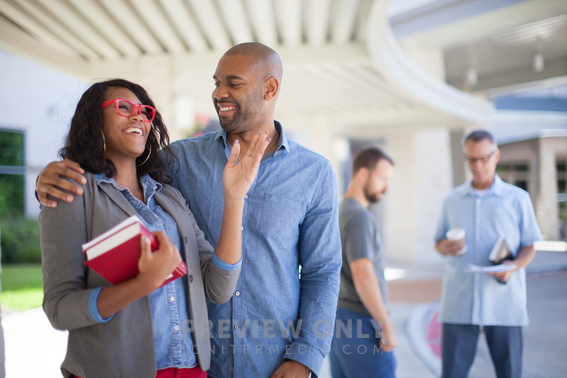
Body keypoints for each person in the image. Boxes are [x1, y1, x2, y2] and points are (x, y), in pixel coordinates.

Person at [36, 43, 342, 378]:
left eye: (233, 83)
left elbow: (322, 273)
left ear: (270, 88)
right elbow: (114, 176)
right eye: (216, 82)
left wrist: (305, 357)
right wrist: (49, 179)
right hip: (196, 362)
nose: (219, 93)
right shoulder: (176, 161)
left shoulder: (314, 173)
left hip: (271, 363)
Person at [39, 79, 270, 378]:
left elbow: (218, 288)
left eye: (145, 112)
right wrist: (142, 284)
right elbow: (59, 309)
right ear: (94, 121)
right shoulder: (73, 194)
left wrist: (235, 198)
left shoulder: (168, 198)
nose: (138, 116)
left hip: (191, 370)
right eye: (124, 108)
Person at [434, 130, 543, 378]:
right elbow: (438, 242)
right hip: (459, 302)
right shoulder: (451, 200)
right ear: (465, 159)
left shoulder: (518, 199)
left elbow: (530, 245)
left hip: (503, 304)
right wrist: (444, 247)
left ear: (496, 155)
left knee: (510, 373)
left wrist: (513, 266)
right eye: (472, 159)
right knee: (452, 374)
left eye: (484, 158)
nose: (478, 165)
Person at [329, 147, 397, 378]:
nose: (386, 187)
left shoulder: (340, 211)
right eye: (383, 179)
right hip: (360, 321)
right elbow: (362, 274)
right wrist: (385, 324)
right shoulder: (359, 216)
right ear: (362, 174)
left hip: (338, 319)